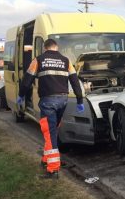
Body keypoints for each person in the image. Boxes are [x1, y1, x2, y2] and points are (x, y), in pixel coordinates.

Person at [17, 38, 84, 179]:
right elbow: (74, 81)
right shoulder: (66, 61)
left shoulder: (38, 60)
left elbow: (27, 80)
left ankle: (53, 170)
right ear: (56, 47)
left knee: (49, 132)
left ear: (45, 48)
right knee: (52, 130)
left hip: (48, 101)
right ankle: (46, 160)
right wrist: (79, 99)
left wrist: (21, 95)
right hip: (63, 100)